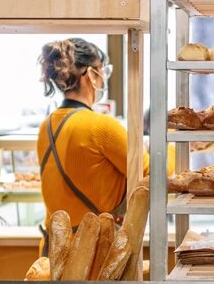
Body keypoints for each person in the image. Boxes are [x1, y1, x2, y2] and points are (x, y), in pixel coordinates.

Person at [36, 38, 157, 243]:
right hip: (93, 254)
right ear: (91, 75)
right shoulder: (100, 126)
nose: (103, 79)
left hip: (55, 250)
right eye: (102, 71)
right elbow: (153, 171)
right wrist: (176, 144)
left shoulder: (46, 126)